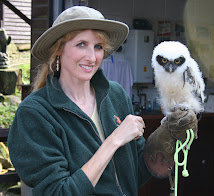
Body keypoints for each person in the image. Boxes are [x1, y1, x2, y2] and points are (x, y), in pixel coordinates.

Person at [8, 6, 198, 196]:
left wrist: (165, 143)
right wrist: (114, 140)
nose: (91, 57)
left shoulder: (115, 95)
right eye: (81, 44)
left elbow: (134, 175)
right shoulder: (35, 113)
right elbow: (59, 192)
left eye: (98, 46)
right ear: (59, 48)